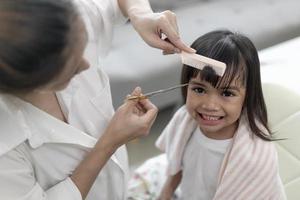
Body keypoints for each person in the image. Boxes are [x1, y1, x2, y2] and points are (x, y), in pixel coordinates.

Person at [0, 0, 194, 199]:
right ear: (34, 79)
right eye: (72, 66)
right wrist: (109, 143)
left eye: (83, 47)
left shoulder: (67, 18)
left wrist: (141, 14)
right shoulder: (6, 144)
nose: (86, 64)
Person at [155, 30, 287, 200]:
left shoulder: (253, 158)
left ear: (247, 96)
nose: (210, 106)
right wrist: (165, 194)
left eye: (227, 94)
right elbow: (177, 165)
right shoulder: (184, 122)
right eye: (199, 89)